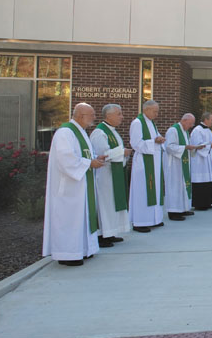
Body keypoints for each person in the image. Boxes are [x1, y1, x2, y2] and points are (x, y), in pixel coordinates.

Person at [42, 103, 107, 266]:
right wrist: (89, 163)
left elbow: (83, 155)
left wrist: (95, 158)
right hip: (69, 188)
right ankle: (67, 254)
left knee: (82, 219)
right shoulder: (65, 132)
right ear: (80, 116)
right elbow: (66, 159)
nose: (94, 117)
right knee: (69, 220)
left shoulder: (81, 132)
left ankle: (84, 249)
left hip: (81, 186)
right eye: (91, 115)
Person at [89, 104, 132, 247]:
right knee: (105, 204)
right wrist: (122, 152)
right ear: (108, 116)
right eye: (119, 114)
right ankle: (102, 235)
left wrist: (123, 153)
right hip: (104, 175)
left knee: (112, 203)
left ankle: (111, 232)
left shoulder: (112, 132)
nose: (122, 117)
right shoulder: (99, 133)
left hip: (114, 173)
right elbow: (102, 154)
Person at [130, 100, 166, 232]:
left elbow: (155, 139)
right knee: (143, 192)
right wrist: (154, 141)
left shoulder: (151, 123)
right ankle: (140, 222)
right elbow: (136, 143)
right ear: (146, 110)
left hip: (154, 162)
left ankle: (154, 219)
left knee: (155, 191)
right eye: (155, 111)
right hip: (144, 164)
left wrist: (160, 139)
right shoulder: (137, 123)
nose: (157, 114)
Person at [164, 113, 200, 221]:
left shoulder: (185, 132)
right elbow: (169, 147)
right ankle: (173, 212)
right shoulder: (173, 130)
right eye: (190, 123)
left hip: (183, 164)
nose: (191, 126)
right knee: (175, 187)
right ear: (184, 120)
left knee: (183, 186)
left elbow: (186, 146)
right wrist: (185, 147)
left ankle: (183, 208)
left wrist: (194, 148)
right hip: (174, 165)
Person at [190, 111, 212, 211]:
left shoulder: (208, 130)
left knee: (208, 181)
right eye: (211, 120)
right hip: (200, 161)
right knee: (201, 181)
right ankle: (200, 204)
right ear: (205, 119)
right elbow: (197, 145)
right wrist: (208, 145)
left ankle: (207, 202)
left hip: (208, 160)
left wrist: (209, 145)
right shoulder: (197, 130)